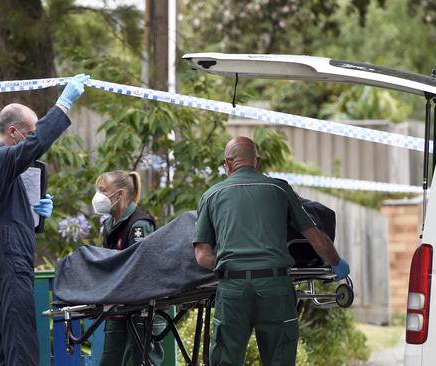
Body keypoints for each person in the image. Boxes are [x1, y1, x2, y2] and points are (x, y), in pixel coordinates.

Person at [193, 136, 350, 366]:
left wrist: (233, 265)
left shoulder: (211, 195)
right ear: (257, 161)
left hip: (233, 290)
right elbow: (316, 237)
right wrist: (336, 263)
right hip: (275, 287)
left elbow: (202, 256)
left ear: (227, 163)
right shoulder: (279, 189)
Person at [0, 74, 90, 366]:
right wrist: (64, 103)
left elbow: (6, 213)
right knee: (22, 345)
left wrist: (35, 215)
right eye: (29, 132)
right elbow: (34, 146)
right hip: (6, 258)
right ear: (13, 132)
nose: (33, 138)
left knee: (3, 346)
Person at [92, 170, 163, 366]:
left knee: (140, 361)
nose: (98, 196)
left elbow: (143, 267)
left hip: (142, 310)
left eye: (103, 190)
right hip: (118, 309)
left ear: (120, 194)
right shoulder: (109, 225)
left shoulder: (139, 225)